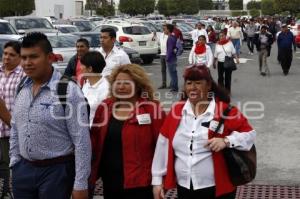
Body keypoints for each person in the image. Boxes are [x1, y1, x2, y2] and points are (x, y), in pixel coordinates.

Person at [152, 64, 256, 199]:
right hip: (184, 187)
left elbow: (250, 134)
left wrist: (226, 141)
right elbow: (163, 145)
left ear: (208, 86)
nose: (192, 87)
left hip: (218, 188)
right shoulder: (176, 111)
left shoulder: (225, 111)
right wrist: (157, 181)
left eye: (198, 83)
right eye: (189, 83)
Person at [9, 32, 91, 199]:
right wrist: (15, 163)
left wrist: (80, 184)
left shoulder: (68, 90)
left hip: (57, 173)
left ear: (50, 57)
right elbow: (16, 128)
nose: (27, 63)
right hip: (23, 171)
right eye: (23, 58)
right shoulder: (22, 87)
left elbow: (82, 141)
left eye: (33, 57)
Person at [89, 64, 166, 199]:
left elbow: (163, 147)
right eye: (118, 83)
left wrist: (160, 180)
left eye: (127, 83)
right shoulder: (104, 108)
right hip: (110, 181)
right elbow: (94, 141)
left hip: (141, 183)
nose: (121, 87)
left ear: (138, 86)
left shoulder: (152, 110)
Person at [0, 41, 24, 198]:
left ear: (20, 58)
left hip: (13, 130)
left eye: (12, 55)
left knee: (12, 165)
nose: (7, 57)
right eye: (5, 53)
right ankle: (4, 192)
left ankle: (11, 192)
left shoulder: (23, 75)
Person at [80, 51, 109, 126]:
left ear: (90, 69)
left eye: (82, 65)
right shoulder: (86, 84)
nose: (80, 68)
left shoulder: (106, 89)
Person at [165, 24, 179, 92]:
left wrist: (167, 58)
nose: (164, 30)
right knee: (174, 73)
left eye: (165, 29)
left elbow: (170, 49)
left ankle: (174, 87)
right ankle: (174, 86)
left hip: (171, 59)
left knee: (172, 73)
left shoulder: (170, 38)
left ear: (168, 30)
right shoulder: (173, 37)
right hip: (173, 57)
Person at [158, 24, 169, 89]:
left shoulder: (170, 35)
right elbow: (159, 42)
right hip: (162, 54)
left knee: (170, 70)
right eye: (163, 28)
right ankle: (164, 83)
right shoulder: (161, 35)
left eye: (165, 28)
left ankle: (172, 84)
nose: (163, 30)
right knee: (163, 70)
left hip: (168, 54)